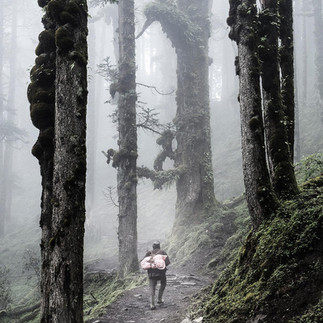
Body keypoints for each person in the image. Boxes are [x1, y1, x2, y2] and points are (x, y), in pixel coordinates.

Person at [144, 241, 170, 310]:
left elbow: (143, 262)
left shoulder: (149, 253)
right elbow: (167, 262)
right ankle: (159, 299)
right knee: (163, 284)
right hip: (161, 273)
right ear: (159, 246)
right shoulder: (163, 252)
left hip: (151, 273)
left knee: (152, 287)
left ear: (153, 246)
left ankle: (152, 304)